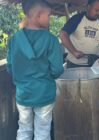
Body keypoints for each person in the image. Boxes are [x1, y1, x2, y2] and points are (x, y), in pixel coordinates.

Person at [6, 0, 64, 140]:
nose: (49, 19)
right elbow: (57, 69)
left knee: (24, 129)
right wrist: (46, 77)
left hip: (23, 93)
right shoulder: (51, 40)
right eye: (48, 15)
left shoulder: (14, 39)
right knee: (42, 131)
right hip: (44, 93)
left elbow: (10, 67)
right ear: (39, 15)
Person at [60, 0, 99, 68]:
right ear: (88, 7)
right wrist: (74, 52)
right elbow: (63, 34)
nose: (98, 13)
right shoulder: (77, 19)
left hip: (94, 63)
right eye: (96, 10)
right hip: (74, 63)